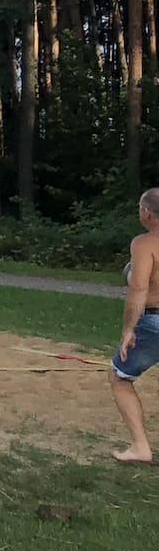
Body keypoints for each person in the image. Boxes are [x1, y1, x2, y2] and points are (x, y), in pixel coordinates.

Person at [110, 187, 159, 463]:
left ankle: (141, 447)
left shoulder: (144, 243)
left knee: (119, 377)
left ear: (146, 213)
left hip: (154, 321)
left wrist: (129, 329)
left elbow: (138, 289)